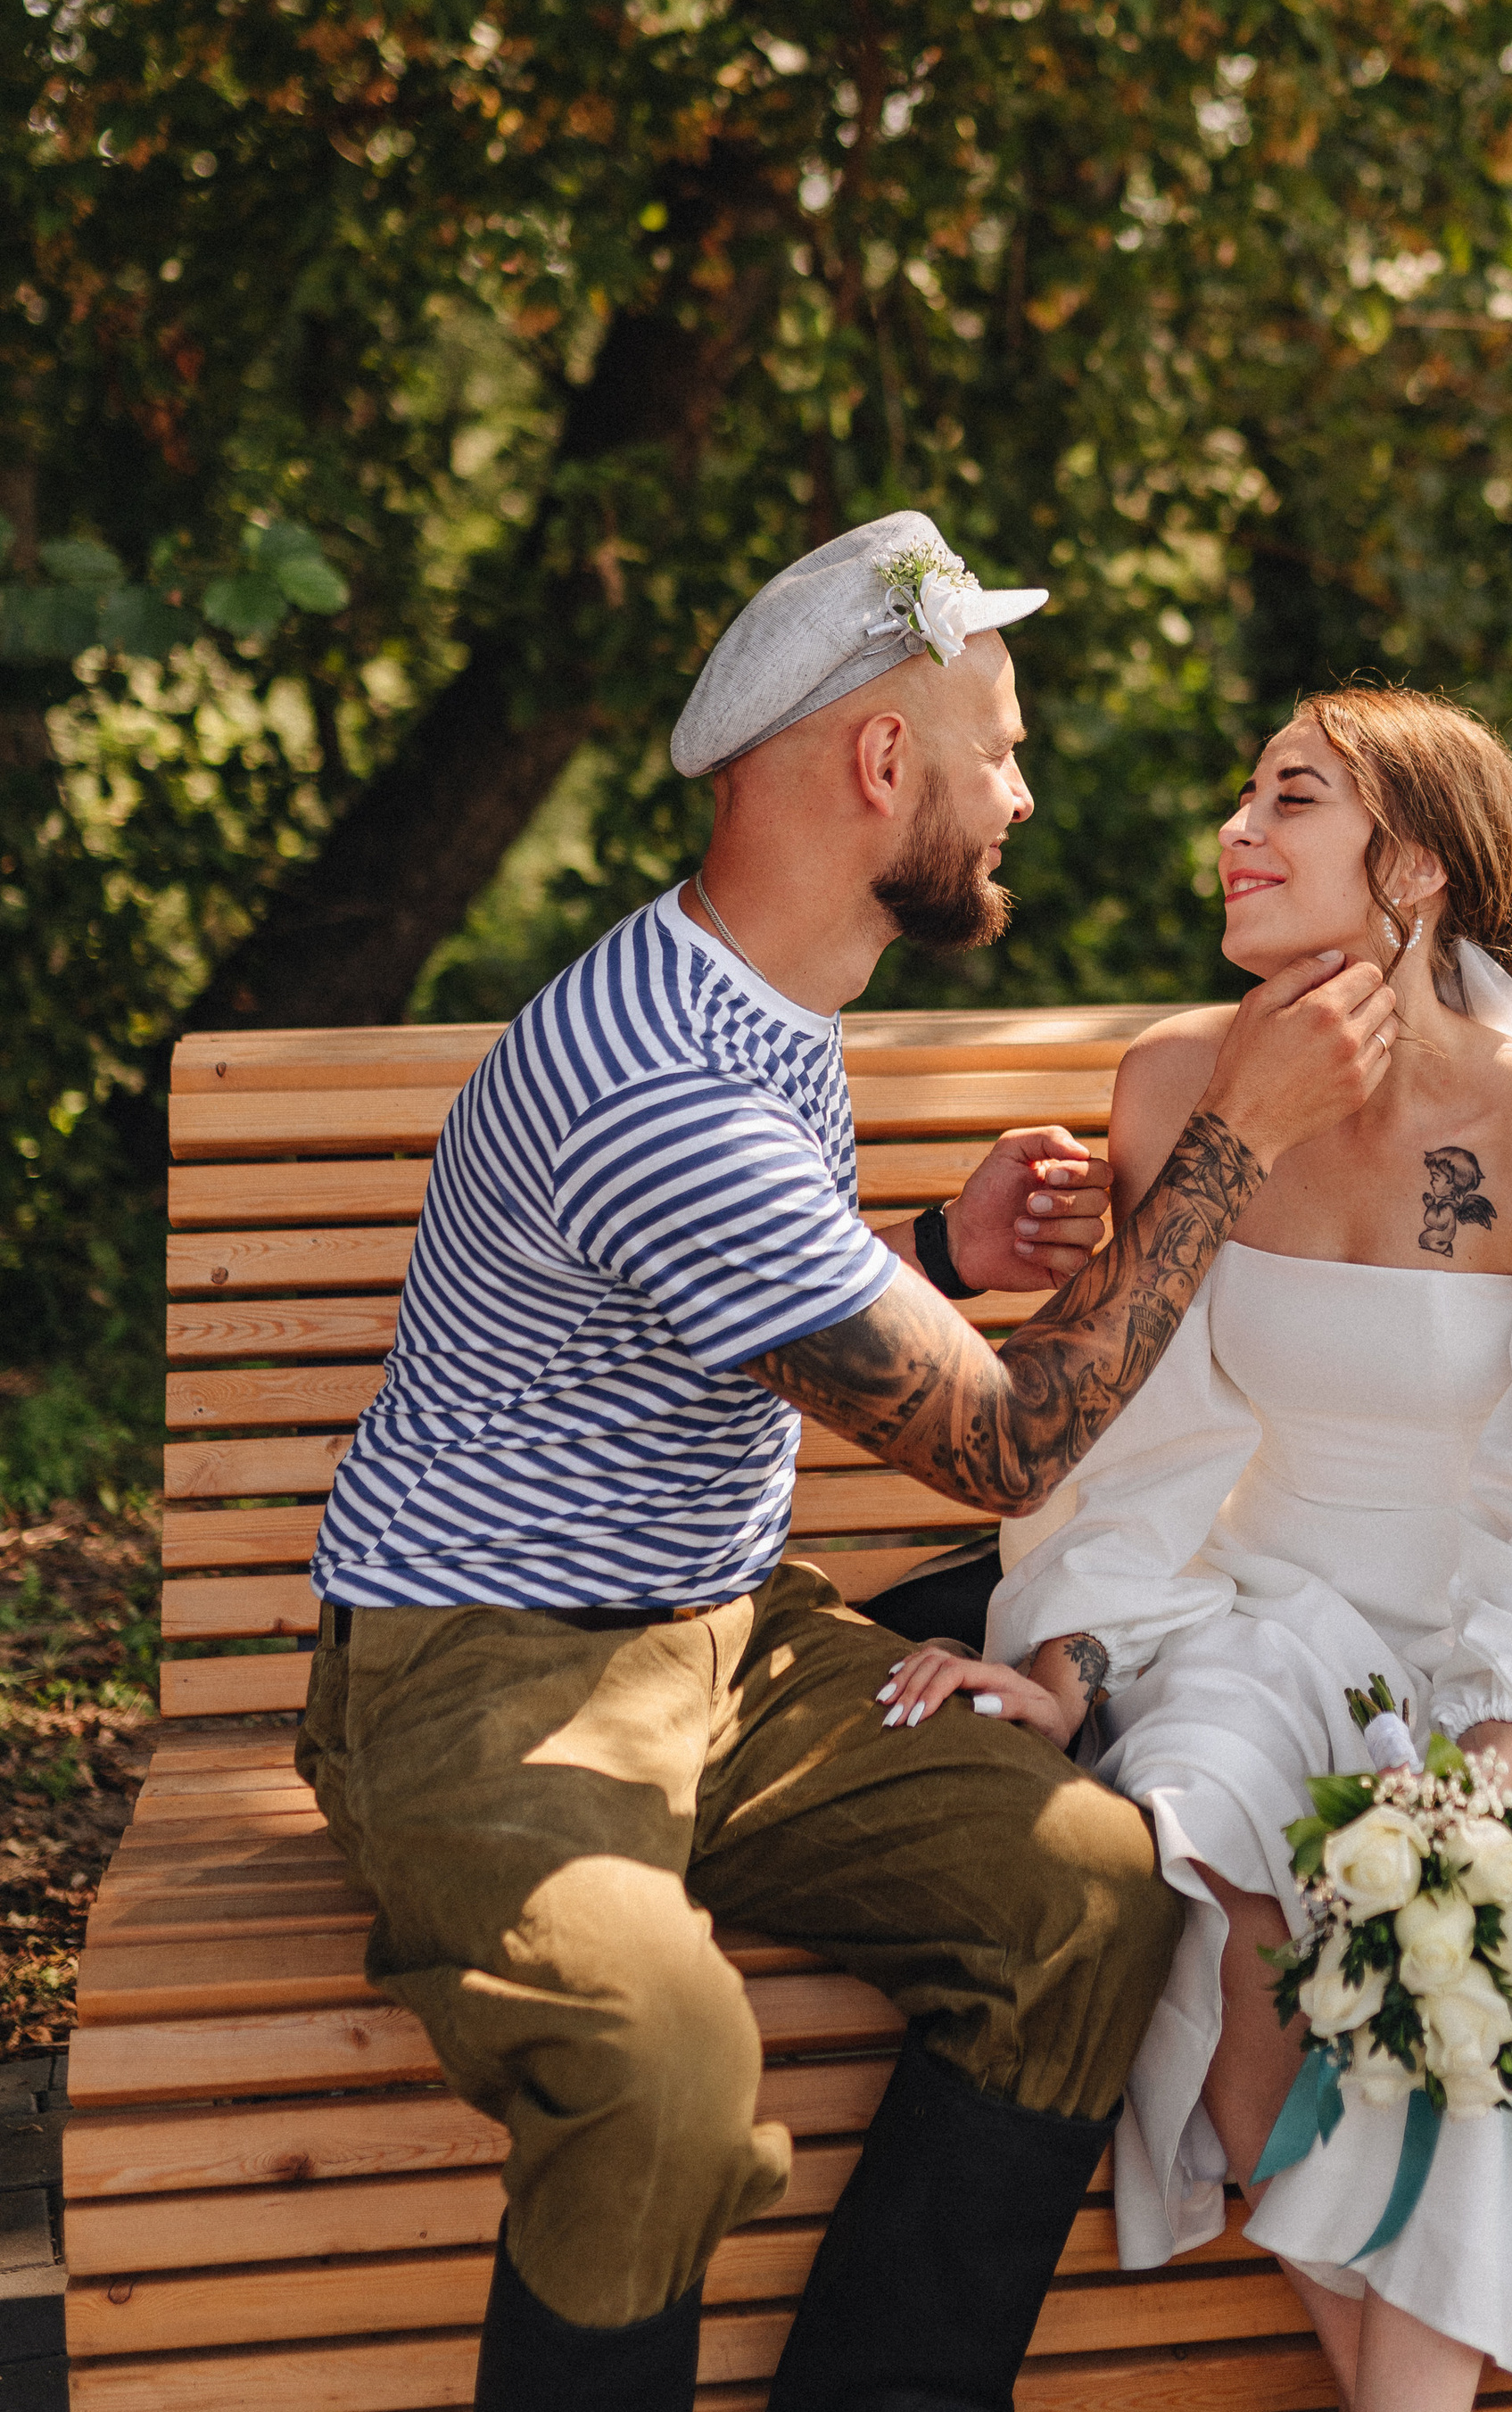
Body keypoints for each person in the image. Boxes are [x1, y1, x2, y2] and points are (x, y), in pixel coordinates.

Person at [294, 514, 1400, 2412]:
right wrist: (1235, 1130)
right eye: (1003, 739)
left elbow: (696, 1309)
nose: (1023, 787)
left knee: (1083, 1900)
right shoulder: (663, 1082)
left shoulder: (757, 989)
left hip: (723, 1641)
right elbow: (1000, 1444)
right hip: (485, 1676)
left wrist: (938, 1254)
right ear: (886, 763)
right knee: (660, 2068)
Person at [877, 685, 1512, 2412]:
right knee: (1200, 1850)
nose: (1236, 830)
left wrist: (1482, 1769)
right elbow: (1141, 1440)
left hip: (1502, 1643)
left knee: (1465, 1995)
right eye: (1244, 795)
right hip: (1249, 1613)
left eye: (1293, 799)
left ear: (1412, 865)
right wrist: (1067, 1667)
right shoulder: (1175, 1084)